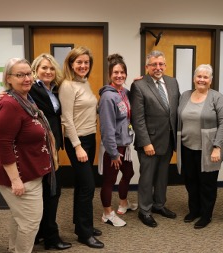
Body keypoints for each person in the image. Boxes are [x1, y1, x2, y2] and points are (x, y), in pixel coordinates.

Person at [0, 54, 71, 250]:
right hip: (19, 173)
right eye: (20, 75)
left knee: (20, 218)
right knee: (31, 221)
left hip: (32, 169)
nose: (26, 79)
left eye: (28, 74)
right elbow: (2, 144)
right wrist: (15, 179)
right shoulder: (10, 104)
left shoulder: (25, 99)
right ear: (8, 78)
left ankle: (14, 249)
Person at [59, 46, 104, 248]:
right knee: (88, 186)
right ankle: (84, 234)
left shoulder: (84, 83)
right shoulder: (68, 85)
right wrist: (77, 146)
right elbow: (66, 119)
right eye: (79, 62)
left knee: (81, 185)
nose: (83, 65)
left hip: (89, 138)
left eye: (86, 62)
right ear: (70, 64)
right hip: (77, 141)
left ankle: (81, 224)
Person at [130, 50, 180, 228]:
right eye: (154, 65)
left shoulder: (173, 82)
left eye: (161, 64)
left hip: (168, 139)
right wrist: (146, 143)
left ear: (165, 66)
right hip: (149, 142)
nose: (158, 68)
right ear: (147, 67)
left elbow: (175, 111)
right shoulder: (139, 85)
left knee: (162, 176)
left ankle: (159, 205)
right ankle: (145, 210)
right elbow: (138, 118)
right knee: (147, 177)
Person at [177, 64, 223, 229]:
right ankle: (194, 210)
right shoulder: (185, 96)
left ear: (211, 80)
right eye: (199, 76)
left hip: (208, 149)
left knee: (207, 183)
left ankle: (206, 215)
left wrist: (217, 146)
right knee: (190, 181)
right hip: (186, 147)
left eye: (205, 77)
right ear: (194, 79)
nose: (202, 79)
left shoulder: (217, 97)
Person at [29, 54, 71, 250]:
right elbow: (10, 94)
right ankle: (51, 238)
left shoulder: (53, 89)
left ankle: (40, 233)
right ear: (36, 69)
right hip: (40, 147)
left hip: (52, 146)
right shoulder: (32, 88)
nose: (48, 71)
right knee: (52, 192)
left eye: (52, 68)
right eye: (44, 68)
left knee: (48, 191)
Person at [98, 53, 137, 227]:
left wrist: (139, 82)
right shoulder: (108, 97)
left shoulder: (124, 93)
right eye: (115, 73)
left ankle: (123, 203)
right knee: (109, 180)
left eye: (122, 72)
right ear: (109, 75)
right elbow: (107, 128)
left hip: (125, 145)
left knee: (128, 173)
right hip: (113, 147)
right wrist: (113, 153)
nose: (119, 75)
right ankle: (107, 213)